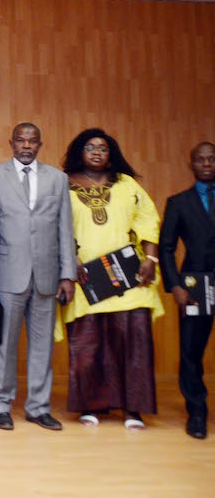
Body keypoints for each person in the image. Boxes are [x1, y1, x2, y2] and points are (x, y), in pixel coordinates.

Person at [60, 128, 164, 429]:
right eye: (90, 147)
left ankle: (133, 408)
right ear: (79, 151)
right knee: (89, 344)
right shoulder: (63, 185)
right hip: (86, 277)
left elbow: (148, 220)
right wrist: (70, 258)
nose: (96, 152)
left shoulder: (127, 184)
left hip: (129, 276)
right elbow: (54, 226)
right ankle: (93, 405)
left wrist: (152, 259)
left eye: (103, 148)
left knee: (133, 342)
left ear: (111, 154)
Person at [0, 122, 76, 431]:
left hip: (47, 275)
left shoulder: (58, 179)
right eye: (20, 140)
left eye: (32, 141)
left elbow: (65, 228)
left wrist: (68, 274)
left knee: (42, 345)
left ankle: (38, 406)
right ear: (11, 143)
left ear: (40, 145)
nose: (26, 146)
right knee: (5, 343)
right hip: (8, 273)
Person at [158, 141, 215, 439]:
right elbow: (166, 248)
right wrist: (175, 286)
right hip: (195, 286)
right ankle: (196, 412)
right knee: (191, 351)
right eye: (200, 160)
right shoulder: (178, 202)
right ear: (190, 164)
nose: (206, 164)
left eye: (211, 159)